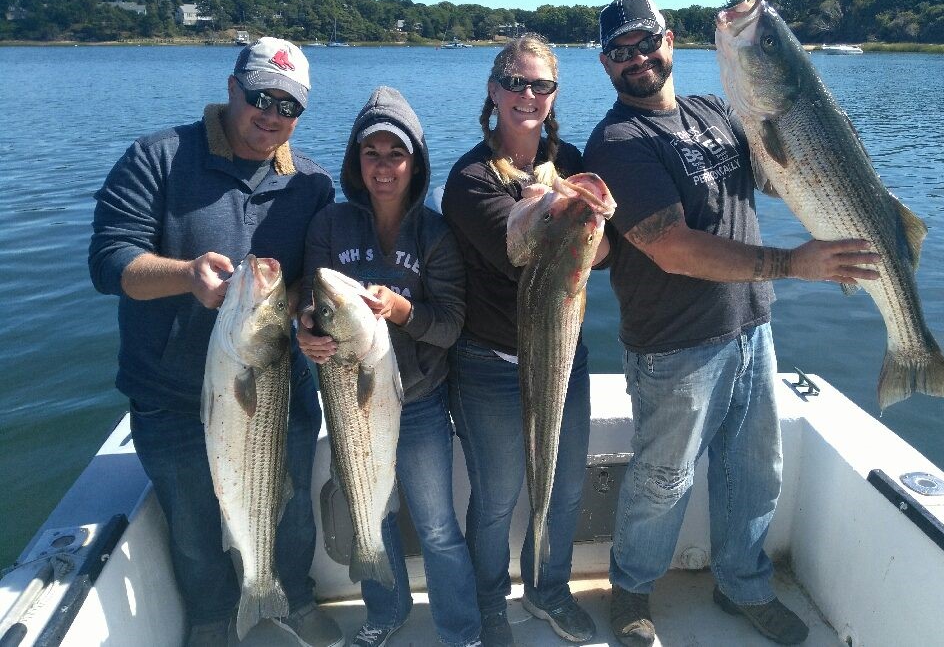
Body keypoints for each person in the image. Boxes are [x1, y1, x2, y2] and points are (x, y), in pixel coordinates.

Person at [582, 0, 882, 646]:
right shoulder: (617, 141)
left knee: (754, 470)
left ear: (669, 41)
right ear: (606, 63)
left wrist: (816, 138)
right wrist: (791, 262)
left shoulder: (716, 110)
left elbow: (778, 176)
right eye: (620, 51)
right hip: (674, 347)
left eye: (646, 42)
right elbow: (671, 246)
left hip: (751, 327)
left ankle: (740, 583)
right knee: (663, 480)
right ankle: (632, 591)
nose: (636, 59)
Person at [89, 37, 343, 647]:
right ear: (232, 87)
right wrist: (182, 275)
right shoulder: (158, 157)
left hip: (275, 389)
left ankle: (291, 599)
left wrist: (310, 316)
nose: (274, 115)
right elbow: (107, 261)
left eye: (290, 106)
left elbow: (311, 278)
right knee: (196, 530)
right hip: (170, 397)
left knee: (291, 513)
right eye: (261, 97)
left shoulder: (311, 184)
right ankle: (211, 622)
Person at [296, 86, 481, 647]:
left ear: (415, 163)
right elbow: (311, 301)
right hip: (349, 402)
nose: (383, 167)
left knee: (438, 527)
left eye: (395, 154)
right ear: (356, 161)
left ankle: (461, 629)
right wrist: (305, 330)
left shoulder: (435, 234)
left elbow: (449, 324)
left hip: (419, 401)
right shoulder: (330, 225)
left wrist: (402, 311)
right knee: (369, 517)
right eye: (371, 153)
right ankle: (386, 610)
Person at [441, 34, 609, 647]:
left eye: (540, 85)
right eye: (514, 82)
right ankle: (489, 603)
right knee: (497, 497)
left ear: (554, 94)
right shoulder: (469, 178)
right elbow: (521, 256)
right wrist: (564, 214)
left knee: (564, 488)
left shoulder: (571, 158)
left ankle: (548, 591)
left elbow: (602, 254)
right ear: (492, 89)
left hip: (566, 353)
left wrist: (591, 220)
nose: (526, 95)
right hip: (489, 362)